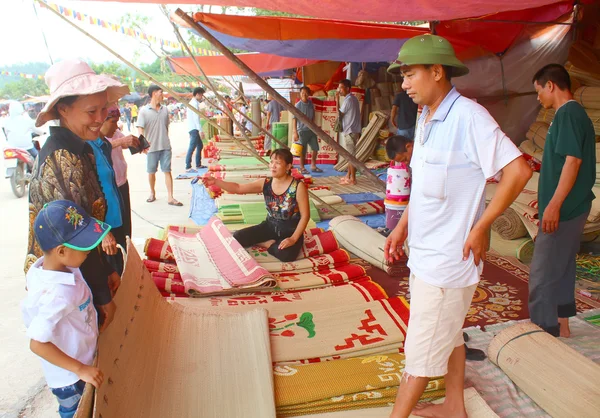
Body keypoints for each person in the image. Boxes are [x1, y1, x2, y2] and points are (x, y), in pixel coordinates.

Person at [384, 35, 532, 418]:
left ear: (437, 72)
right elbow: (425, 184)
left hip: (449, 262)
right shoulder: (427, 117)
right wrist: (402, 228)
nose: (404, 84)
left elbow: (518, 170)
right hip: (426, 254)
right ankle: (454, 406)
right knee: (448, 336)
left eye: (409, 74)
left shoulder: (469, 116)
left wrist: (482, 226)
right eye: (402, 75)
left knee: (419, 354)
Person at [26, 59, 128, 333]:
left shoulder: (81, 148)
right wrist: (103, 296)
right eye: (91, 111)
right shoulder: (61, 159)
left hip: (81, 274)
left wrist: (107, 269)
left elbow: (90, 224)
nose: (100, 119)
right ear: (63, 109)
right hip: (66, 284)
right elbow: (76, 241)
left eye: (103, 109)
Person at [22, 200, 109, 418]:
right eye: (83, 245)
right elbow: (37, 344)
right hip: (71, 379)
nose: (90, 249)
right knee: (76, 411)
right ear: (61, 251)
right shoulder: (57, 295)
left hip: (80, 361)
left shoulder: (48, 267)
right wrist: (81, 370)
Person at [528, 64, 596, 338]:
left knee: (542, 273)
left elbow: (572, 161)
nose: (537, 98)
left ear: (551, 86)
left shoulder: (568, 114)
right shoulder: (570, 115)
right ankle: (561, 325)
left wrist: (554, 205)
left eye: (538, 91)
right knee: (562, 266)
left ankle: (543, 333)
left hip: (565, 208)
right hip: (572, 206)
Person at [202, 149, 309, 262]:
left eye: (277, 163)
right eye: (271, 161)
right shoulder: (266, 183)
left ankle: (269, 244)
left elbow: (305, 215)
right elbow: (238, 188)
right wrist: (215, 182)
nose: (272, 166)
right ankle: (266, 243)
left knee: (286, 255)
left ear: (288, 166)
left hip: (290, 231)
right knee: (238, 237)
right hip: (270, 226)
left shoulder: (298, 186)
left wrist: (293, 239)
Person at [137, 84, 183, 206]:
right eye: (160, 92)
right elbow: (140, 129)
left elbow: (166, 127)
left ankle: (170, 197)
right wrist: (142, 144)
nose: (162, 95)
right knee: (151, 172)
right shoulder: (144, 111)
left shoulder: (165, 110)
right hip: (151, 148)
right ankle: (152, 193)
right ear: (153, 94)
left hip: (165, 147)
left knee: (167, 171)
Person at [101, 107, 139, 252]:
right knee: (115, 232)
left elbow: (124, 142)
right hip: (110, 187)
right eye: (112, 121)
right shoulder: (93, 142)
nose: (116, 126)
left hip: (121, 182)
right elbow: (103, 147)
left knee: (125, 226)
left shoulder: (114, 132)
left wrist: (135, 143)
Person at [293, 86, 323, 175]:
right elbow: (294, 119)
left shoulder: (311, 103)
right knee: (303, 151)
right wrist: (295, 132)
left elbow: (313, 116)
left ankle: (313, 165)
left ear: (309, 94)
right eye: (302, 93)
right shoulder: (298, 105)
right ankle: (302, 168)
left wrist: (314, 126)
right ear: (300, 94)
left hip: (311, 130)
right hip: (302, 131)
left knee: (315, 148)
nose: (304, 95)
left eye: (306, 93)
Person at [337, 79, 362, 185]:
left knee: (351, 156)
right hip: (353, 130)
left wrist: (336, 100)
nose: (339, 90)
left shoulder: (348, 100)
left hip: (350, 130)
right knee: (349, 155)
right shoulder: (354, 98)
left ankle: (353, 179)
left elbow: (340, 114)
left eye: (341, 88)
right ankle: (348, 175)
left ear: (347, 88)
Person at [186, 87, 207, 172]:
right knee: (192, 147)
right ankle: (188, 166)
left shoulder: (194, 103)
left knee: (200, 146)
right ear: (197, 94)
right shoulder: (194, 104)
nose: (202, 97)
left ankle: (198, 164)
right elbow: (196, 118)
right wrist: (200, 130)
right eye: (201, 95)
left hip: (194, 128)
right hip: (194, 128)